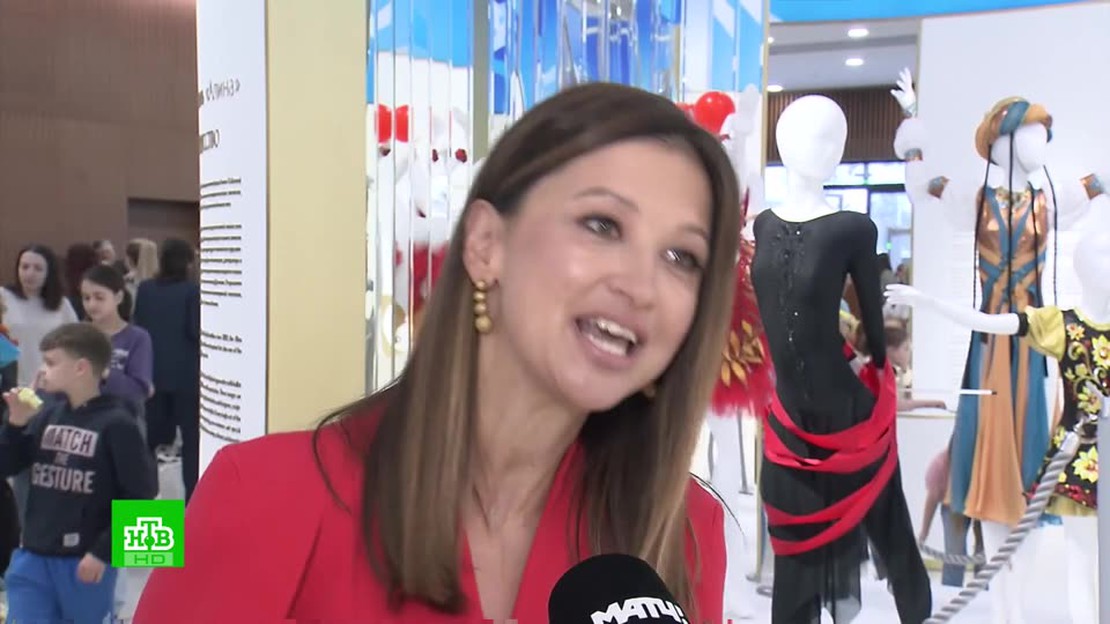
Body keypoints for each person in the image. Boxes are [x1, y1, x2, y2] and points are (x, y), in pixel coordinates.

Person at [135, 82, 741, 623]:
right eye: (603, 225)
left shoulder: (686, 534)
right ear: (486, 243)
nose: (641, 287)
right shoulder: (261, 497)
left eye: (681, 258)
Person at [0, 323, 157, 624]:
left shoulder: (119, 422)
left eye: (51, 363)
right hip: (34, 554)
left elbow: (143, 497)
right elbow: (6, 466)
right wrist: (15, 425)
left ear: (81, 368)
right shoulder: (47, 414)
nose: (42, 371)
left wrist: (104, 552)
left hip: (85, 560)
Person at [133, 239, 199, 498]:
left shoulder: (145, 289)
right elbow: (195, 330)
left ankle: (145, 511)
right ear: (189, 262)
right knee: (192, 446)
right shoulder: (193, 291)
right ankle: (193, 506)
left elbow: (139, 326)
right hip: (187, 378)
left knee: (147, 444)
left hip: (151, 375)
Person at [81, 265, 154, 437]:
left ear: (118, 297)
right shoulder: (77, 335)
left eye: (99, 297)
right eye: (86, 298)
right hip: (84, 424)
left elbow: (139, 389)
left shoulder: (137, 337)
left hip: (125, 425)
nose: (91, 304)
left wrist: (103, 372)